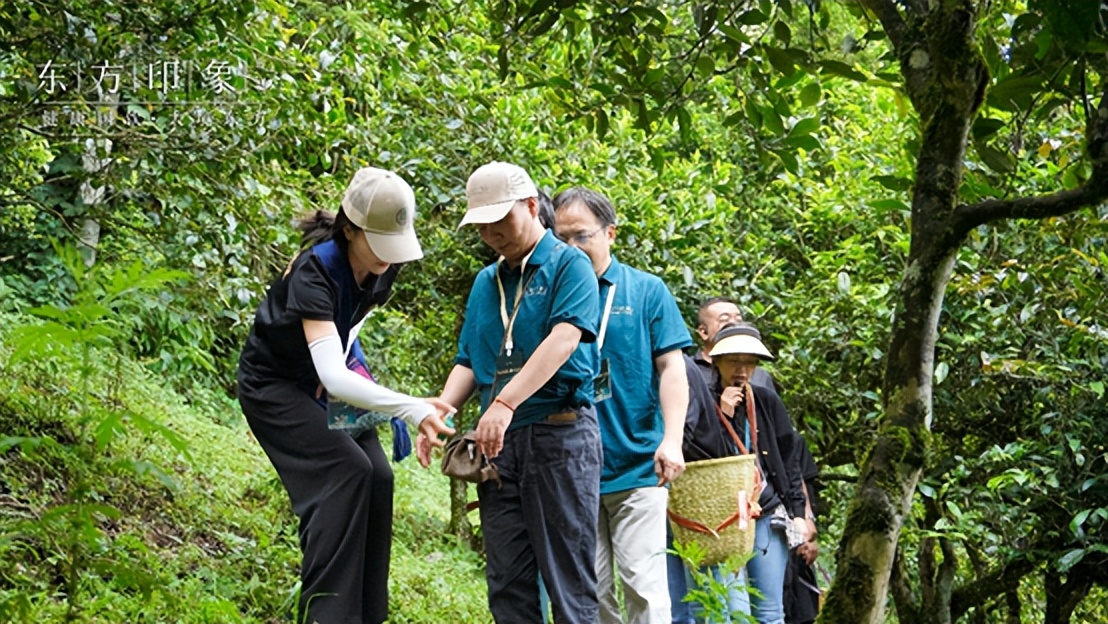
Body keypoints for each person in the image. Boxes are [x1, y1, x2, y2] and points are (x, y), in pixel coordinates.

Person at [236, 167, 455, 624]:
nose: (387, 257)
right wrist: (410, 407)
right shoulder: (314, 272)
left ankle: (367, 615)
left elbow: (347, 334)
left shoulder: (382, 270)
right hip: (274, 386)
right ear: (350, 229)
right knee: (346, 473)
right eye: (378, 242)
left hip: (323, 377)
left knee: (378, 477)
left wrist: (368, 393)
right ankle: (327, 616)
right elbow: (333, 379)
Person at [427, 161, 603, 624]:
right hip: (498, 449)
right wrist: (442, 410)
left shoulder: (570, 265)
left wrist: (506, 402)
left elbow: (565, 338)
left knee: (568, 581)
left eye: (499, 220)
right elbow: (469, 359)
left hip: (558, 436)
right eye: (481, 225)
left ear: (531, 206)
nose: (490, 234)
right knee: (507, 581)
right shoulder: (486, 282)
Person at [552, 186, 690, 624]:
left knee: (643, 583)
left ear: (610, 234)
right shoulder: (550, 292)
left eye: (581, 236)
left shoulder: (647, 291)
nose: (570, 247)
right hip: (573, 467)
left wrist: (672, 440)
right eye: (561, 238)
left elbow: (672, 368)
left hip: (637, 463)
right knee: (588, 589)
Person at [709, 322, 809, 624]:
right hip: (724, 521)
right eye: (733, 361)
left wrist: (799, 512)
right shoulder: (703, 399)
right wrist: (721, 415)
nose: (741, 369)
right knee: (734, 611)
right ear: (716, 362)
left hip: (765, 512)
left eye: (749, 362)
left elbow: (789, 458)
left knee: (770, 611)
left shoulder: (766, 400)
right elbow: (700, 454)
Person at [692, 297, 774, 391]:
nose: (733, 325)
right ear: (704, 332)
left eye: (738, 320)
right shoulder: (687, 370)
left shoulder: (760, 376)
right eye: (724, 320)